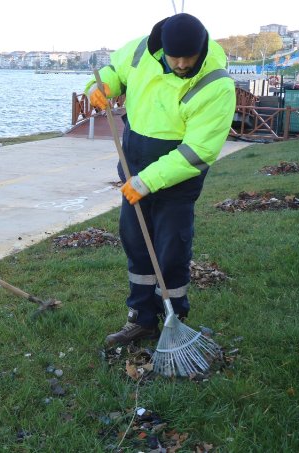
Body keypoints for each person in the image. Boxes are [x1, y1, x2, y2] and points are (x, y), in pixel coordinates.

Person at [85, 13, 236, 347]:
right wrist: (102, 86)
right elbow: (115, 70)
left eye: (189, 57)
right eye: (174, 57)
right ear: (160, 48)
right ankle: (141, 320)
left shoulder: (216, 84)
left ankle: (173, 317)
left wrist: (147, 181)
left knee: (170, 251)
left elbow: (198, 151)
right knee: (137, 247)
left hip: (175, 182)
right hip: (134, 170)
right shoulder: (141, 51)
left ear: (203, 48)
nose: (182, 64)